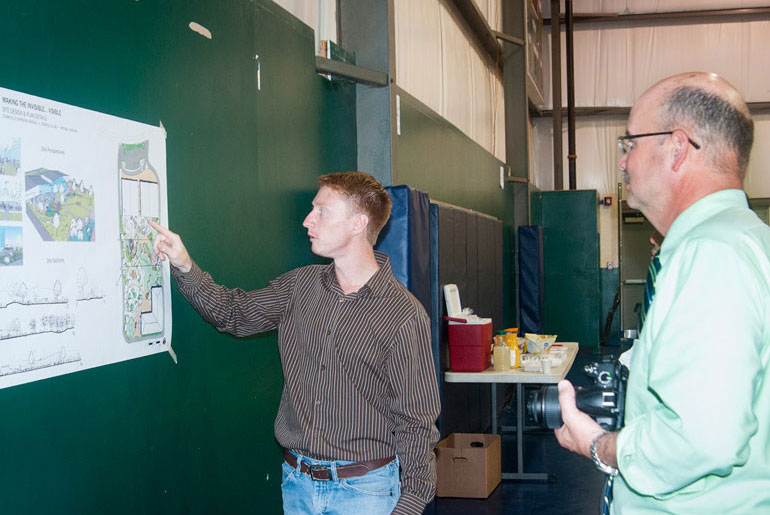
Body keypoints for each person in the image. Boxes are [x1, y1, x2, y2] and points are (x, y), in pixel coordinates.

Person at [149, 171, 440, 515]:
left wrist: (410, 504)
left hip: (366, 493)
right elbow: (234, 314)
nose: (307, 220)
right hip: (298, 484)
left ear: (358, 224)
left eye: (321, 211)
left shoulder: (403, 314)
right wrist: (184, 264)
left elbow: (416, 421)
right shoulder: (298, 287)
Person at [555, 72, 770, 513]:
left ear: (677, 148)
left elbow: (704, 437)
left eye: (629, 144)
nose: (622, 162)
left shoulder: (711, 254)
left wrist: (600, 445)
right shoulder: (747, 239)